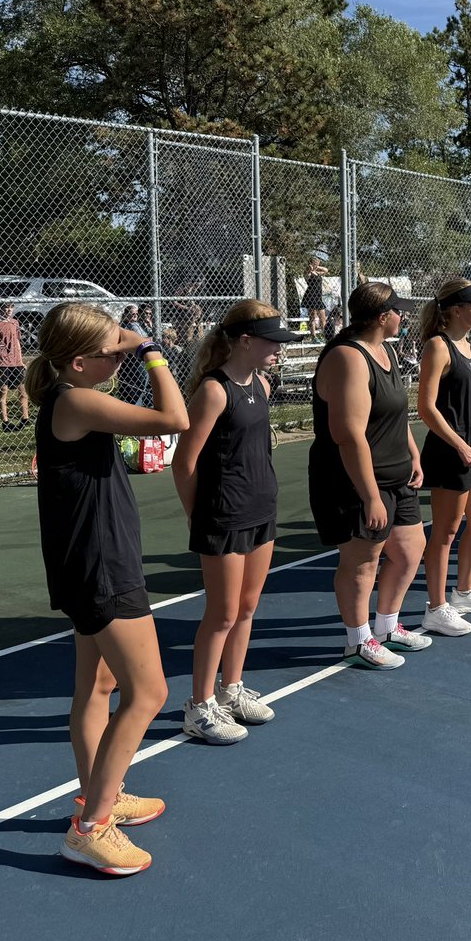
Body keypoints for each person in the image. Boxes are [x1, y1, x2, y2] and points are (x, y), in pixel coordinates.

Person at [25, 302, 188, 876]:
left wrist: (117, 345)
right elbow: (175, 420)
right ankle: (90, 828)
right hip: (99, 566)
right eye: (109, 352)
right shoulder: (76, 398)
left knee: (97, 687)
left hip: (88, 560)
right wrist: (151, 352)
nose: (118, 355)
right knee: (149, 694)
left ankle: (102, 792)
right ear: (78, 361)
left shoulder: (72, 394)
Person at [173, 302, 302, 744]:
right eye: (272, 341)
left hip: (260, 510)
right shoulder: (214, 390)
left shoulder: (261, 384)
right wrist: (199, 515)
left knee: (246, 608)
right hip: (223, 515)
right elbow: (184, 462)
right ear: (245, 340)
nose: (279, 350)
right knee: (222, 613)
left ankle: (231, 691)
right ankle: (199, 706)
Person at [308, 282, 430, 669]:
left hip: (396, 476)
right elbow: (348, 435)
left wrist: (412, 454)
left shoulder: (387, 351)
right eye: (399, 311)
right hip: (356, 481)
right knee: (363, 561)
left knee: (411, 550)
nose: (404, 317)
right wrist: (371, 495)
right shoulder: (348, 357)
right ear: (382, 317)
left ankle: (389, 626)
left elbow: (393, 413)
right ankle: (358, 639)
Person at [417, 279, 471, 637]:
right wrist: (459, 445)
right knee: (446, 531)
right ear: (456, 309)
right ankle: (436, 608)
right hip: (450, 453)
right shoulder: (438, 347)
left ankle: (464, 591)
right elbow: (427, 408)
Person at [0, 302, 30, 431]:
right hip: (2, 362)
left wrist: (21, 360)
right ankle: (5, 422)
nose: (9, 310)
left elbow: (17, 342)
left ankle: (25, 418)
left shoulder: (14, 323)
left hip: (16, 362)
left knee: (23, 390)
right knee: (3, 391)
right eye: (6, 308)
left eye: (11, 307)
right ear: (0, 309)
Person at [303, 255, 329, 340]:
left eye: (318, 263)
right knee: (312, 317)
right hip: (311, 296)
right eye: (316, 263)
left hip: (318, 297)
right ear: (312, 263)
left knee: (323, 318)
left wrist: (317, 267)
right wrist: (311, 266)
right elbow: (308, 269)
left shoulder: (317, 272)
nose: (317, 265)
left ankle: (324, 335)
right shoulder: (308, 273)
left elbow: (326, 270)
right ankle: (314, 337)